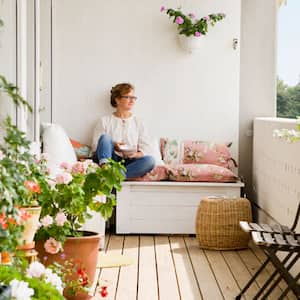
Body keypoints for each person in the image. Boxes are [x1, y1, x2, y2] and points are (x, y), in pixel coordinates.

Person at [92, 83, 155, 179]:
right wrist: (113, 145)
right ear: (117, 99)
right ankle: (107, 169)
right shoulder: (104, 121)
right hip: (111, 159)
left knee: (150, 161)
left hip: (129, 162)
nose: (132, 100)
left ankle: (115, 176)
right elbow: (95, 146)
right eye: (128, 97)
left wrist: (135, 154)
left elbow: (146, 148)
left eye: (134, 97)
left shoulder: (139, 122)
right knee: (105, 138)